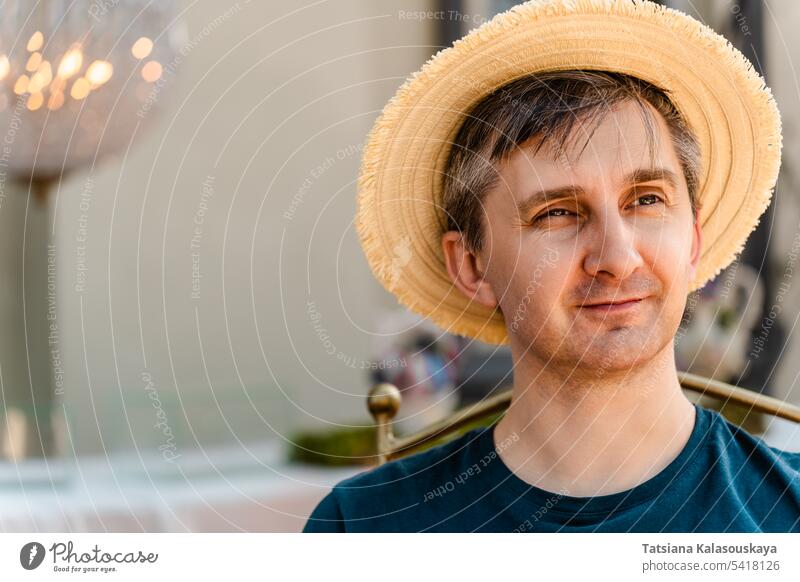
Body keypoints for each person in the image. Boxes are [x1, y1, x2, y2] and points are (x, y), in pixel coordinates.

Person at [303, 0, 799, 532]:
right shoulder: (367, 528)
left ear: (694, 240)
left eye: (647, 200)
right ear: (471, 264)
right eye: (557, 212)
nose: (617, 256)